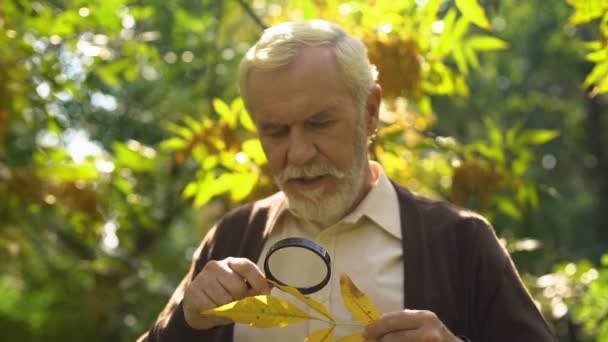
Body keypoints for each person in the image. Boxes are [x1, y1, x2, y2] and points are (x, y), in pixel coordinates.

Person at [139, 20, 556, 342]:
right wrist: (188, 322)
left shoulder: (461, 242)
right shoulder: (233, 236)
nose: (298, 153)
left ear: (371, 112)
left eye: (319, 123)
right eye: (275, 131)